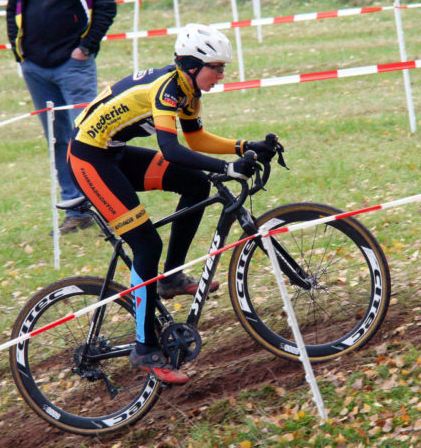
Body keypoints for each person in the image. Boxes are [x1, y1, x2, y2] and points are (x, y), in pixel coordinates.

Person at [67, 24, 278, 384]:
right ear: (194, 65)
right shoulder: (167, 89)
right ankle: (144, 348)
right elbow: (171, 149)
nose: (222, 75)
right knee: (146, 243)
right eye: (218, 68)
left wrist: (244, 147)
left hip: (113, 153)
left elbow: (195, 139)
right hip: (89, 159)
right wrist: (229, 168)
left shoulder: (187, 88)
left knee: (195, 185)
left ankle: (171, 278)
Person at [6, 0, 116, 234]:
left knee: (91, 137)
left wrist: (86, 47)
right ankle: (76, 212)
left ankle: (111, 208)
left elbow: (107, 6)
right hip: (34, 67)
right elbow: (12, 11)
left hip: (74, 65)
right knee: (58, 139)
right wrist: (19, 52)